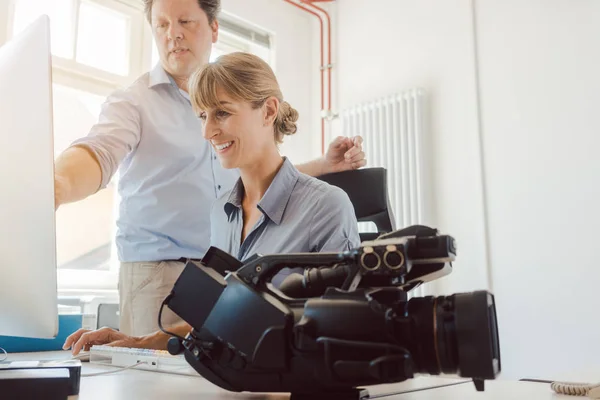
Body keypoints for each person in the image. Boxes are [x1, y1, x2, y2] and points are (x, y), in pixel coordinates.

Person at [54, 0, 366, 337]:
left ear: (214, 27)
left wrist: (322, 165)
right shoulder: (134, 102)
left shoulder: (318, 205)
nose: (173, 34)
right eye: (161, 25)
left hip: (224, 273)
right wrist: (57, 185)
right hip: (161, 270)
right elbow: (97, 152)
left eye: (185, 21)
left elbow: (266, 180)